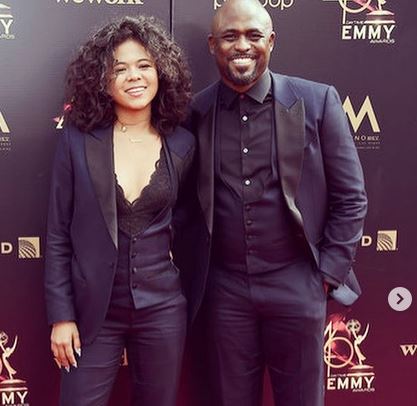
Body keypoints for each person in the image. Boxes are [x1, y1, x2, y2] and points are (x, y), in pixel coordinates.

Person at [179, 0, 368, 405]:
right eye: (230, 36)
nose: (241, 45)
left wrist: (326, 276)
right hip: (224, 292)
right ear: (213, 44)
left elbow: (351, 197)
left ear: (271, 41)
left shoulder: (317, 102)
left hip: (298, 283)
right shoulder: (195, 112)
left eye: (253, 35)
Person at [44, 15, 194, 406]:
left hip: (163, 309)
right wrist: (62, 316)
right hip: (95, 313)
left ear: (161, 72)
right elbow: (59, 232)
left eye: (144, 65)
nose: (134, 76)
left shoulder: (182, 144)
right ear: (101, 79)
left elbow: (193, 224)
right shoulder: (77, 141)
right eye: (119, 68)